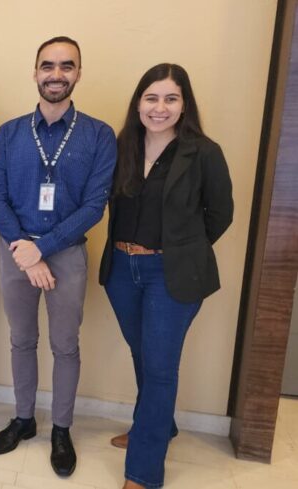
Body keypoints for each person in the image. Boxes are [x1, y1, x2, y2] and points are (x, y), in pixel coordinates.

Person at [0, 37, 116, 476]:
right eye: (48, 65)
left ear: (78, 73)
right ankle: (23, 419)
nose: (56, 74)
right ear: (35, 72)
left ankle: (61, 429)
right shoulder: (9, 133)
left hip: (66, 254)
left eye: (66, 66)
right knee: (21, 339)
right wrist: (25, 250)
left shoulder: (99, 135)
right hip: (14, 251)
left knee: (65, 346)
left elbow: (94, 206)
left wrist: (42, 248)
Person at [99, 63, 233, 489]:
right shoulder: (122, 145)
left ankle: (143, 469)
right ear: (138, 103)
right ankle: (156, 425)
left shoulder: (203, 152)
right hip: (122, 269)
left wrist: (181, 249)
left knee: (159, 368)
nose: (160, 107)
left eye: (171, 98)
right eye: (151, 98)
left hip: (170, 273)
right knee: (143, 354)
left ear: (184, 105)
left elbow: (220, 214)